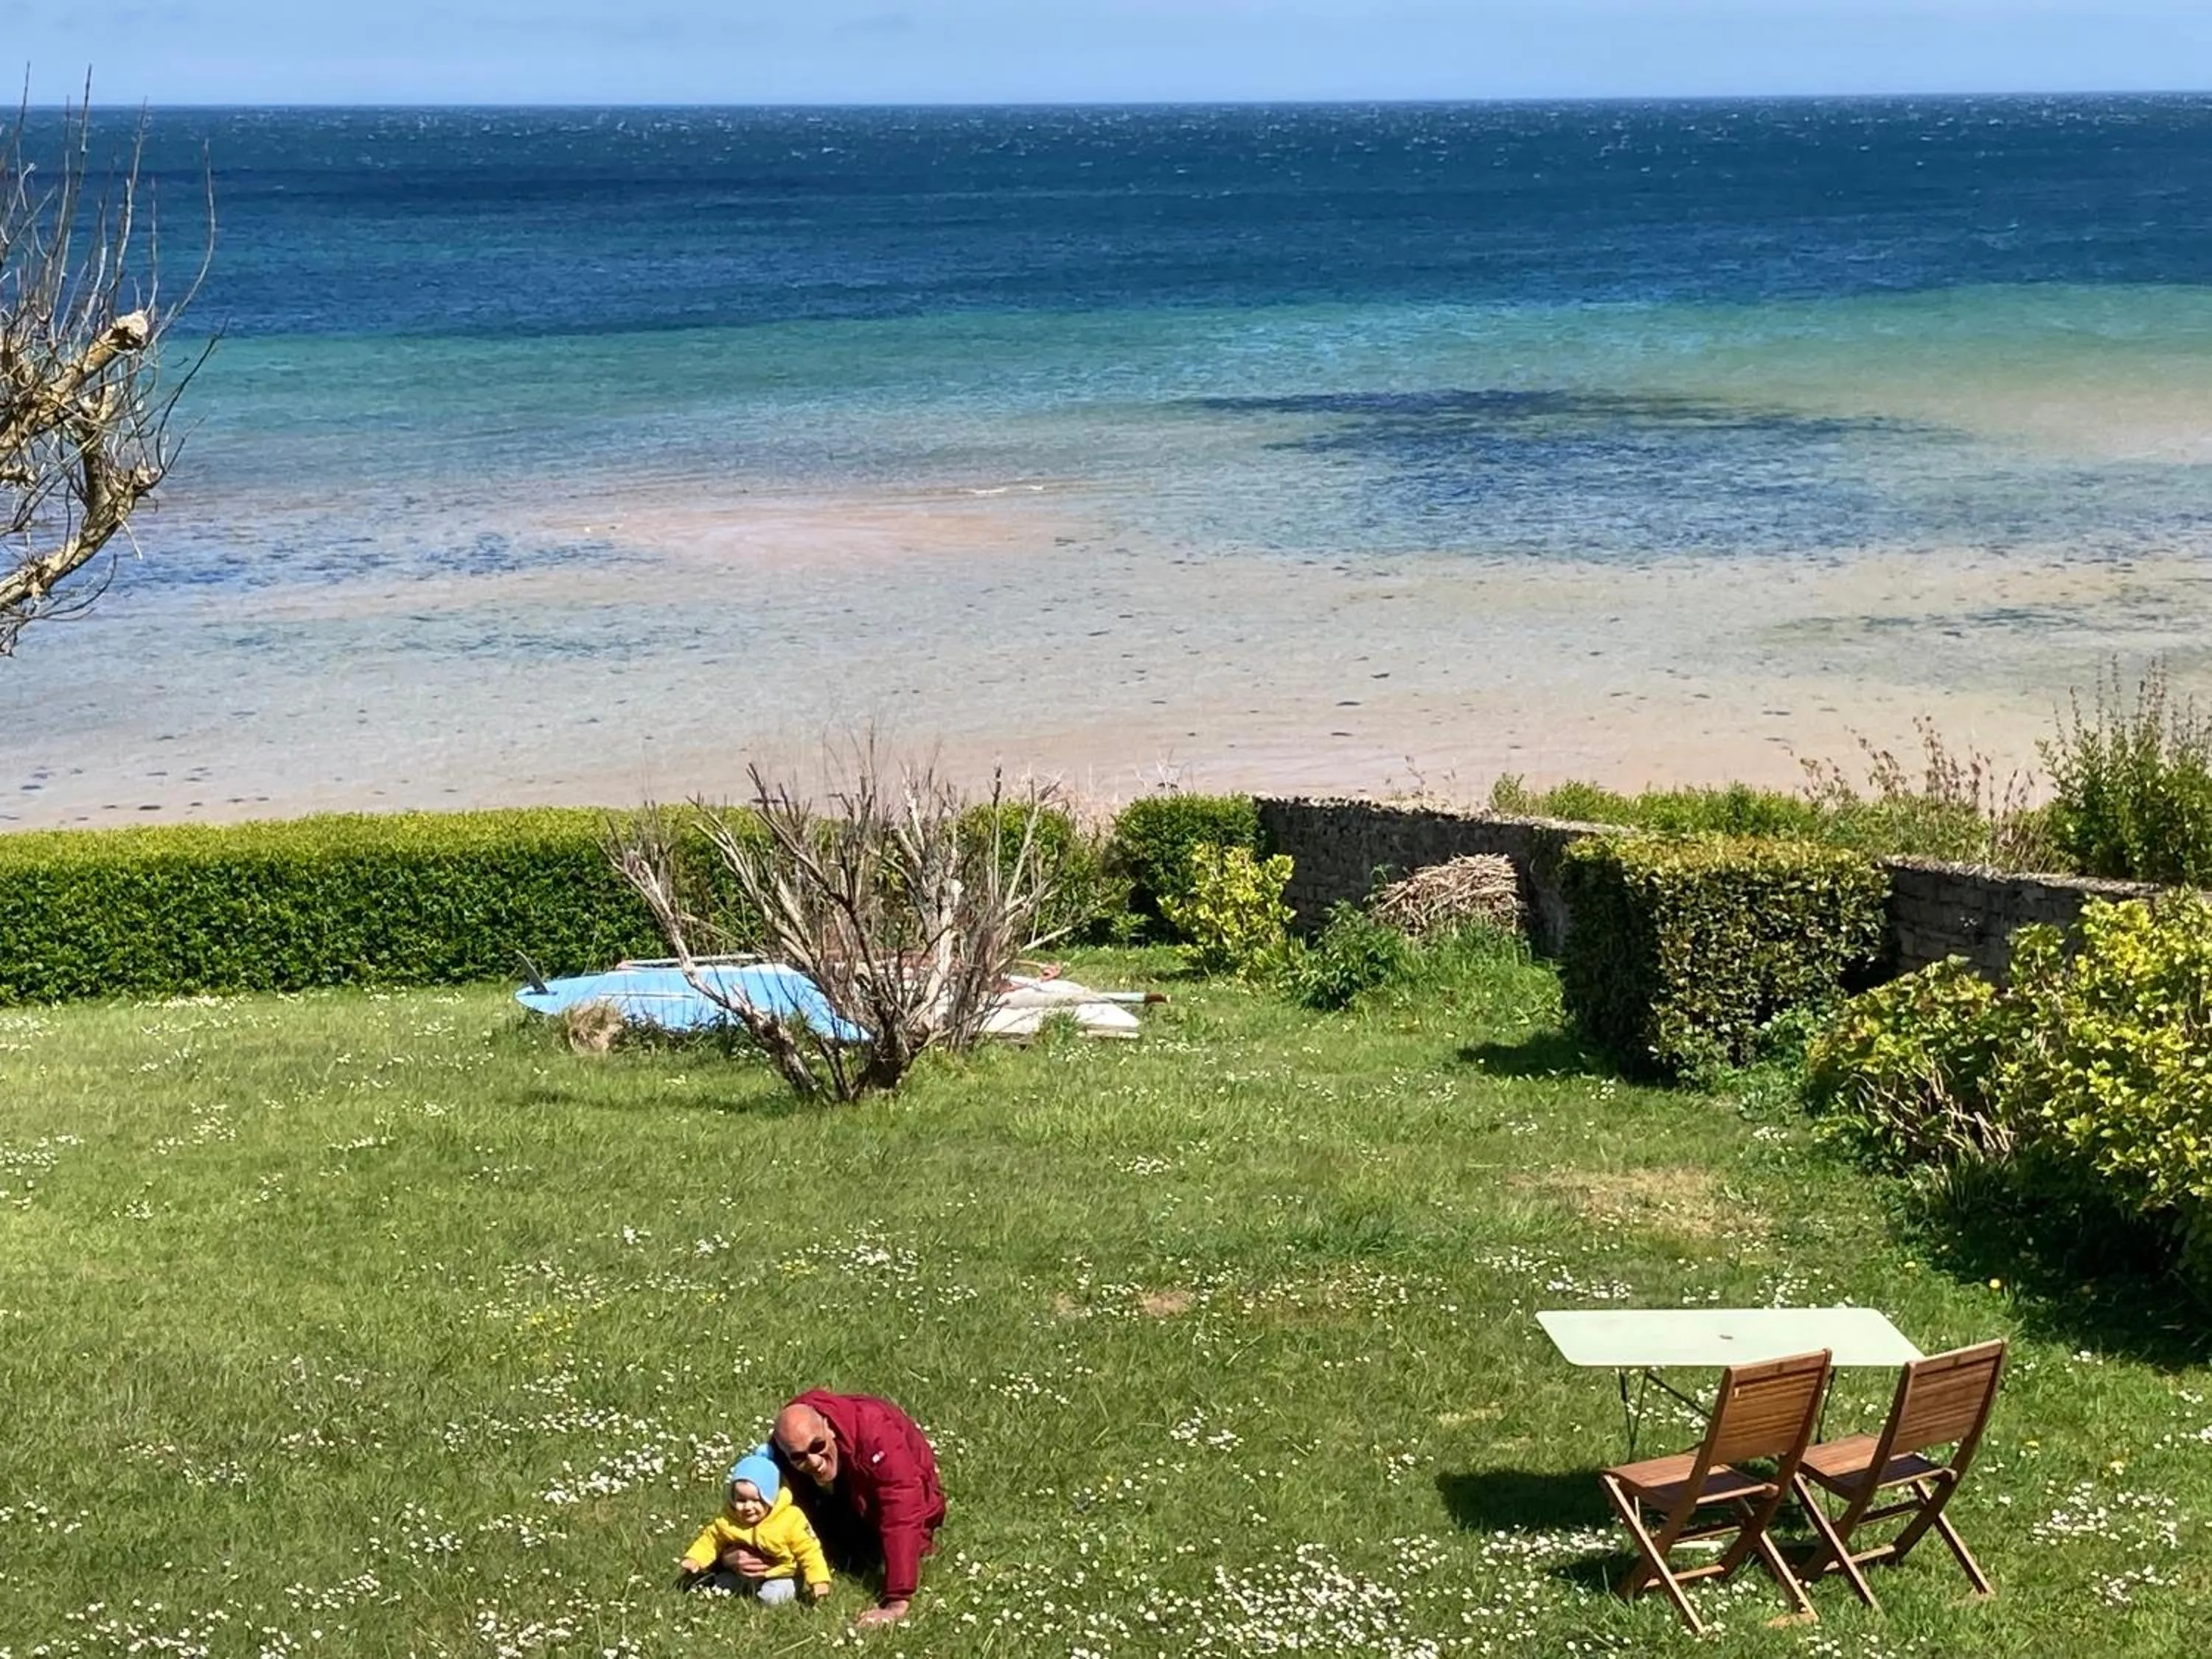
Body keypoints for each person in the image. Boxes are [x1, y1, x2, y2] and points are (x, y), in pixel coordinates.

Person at [765, 1391, 945, 1627]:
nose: (814, 1461)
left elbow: (902, 1508)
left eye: (818, 1446)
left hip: (914, 1500)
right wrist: (742, 1554)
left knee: (896, 1542)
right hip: (846, 1497)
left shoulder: (876, 1432)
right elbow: (765, 1506)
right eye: (799, 1457)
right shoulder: (783, 1446)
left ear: (828, 1427)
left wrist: (897, 1600)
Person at [675, 1444, 831, 1607]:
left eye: (757, 1500)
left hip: (782, 1574)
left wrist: (819, 1580)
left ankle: (787, 1590)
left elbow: (810, 1550)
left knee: (771, 1598)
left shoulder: (790, 1520)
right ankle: (743, 1587)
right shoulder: (729, 1520)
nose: (748, 1507)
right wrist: (695, 1559)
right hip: (743, 1573)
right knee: (719, 1586)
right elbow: (710, 1540)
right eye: (741, 1500)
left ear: (771, 1498)